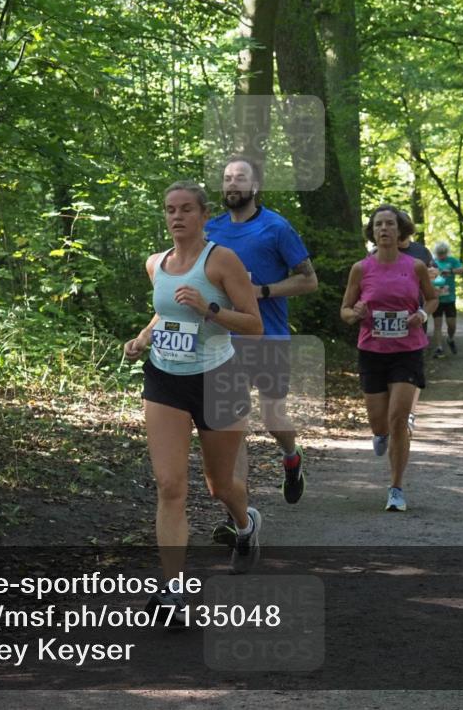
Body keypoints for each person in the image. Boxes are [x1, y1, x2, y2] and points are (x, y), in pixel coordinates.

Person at [124, 181, 264, 622]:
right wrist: (142, 339)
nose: (177, 216)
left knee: (220, 486)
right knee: (170, 486)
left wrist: (209, 309)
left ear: (204, 215)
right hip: (165, 380)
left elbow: (254, 324)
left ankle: (245, 524)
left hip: (219, 379)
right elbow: (165, 313)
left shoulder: (221, 260)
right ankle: (173, 593)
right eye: (170, 209)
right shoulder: (156, 263)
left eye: (186, 209)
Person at [205, 155, 318, 545]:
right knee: (230, 428)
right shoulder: (211, 229)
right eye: (227, 178)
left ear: (255, 187)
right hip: (222, 341)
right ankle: (238, 519)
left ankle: (292, 456)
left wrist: (261, 291)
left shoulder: (276, 227)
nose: (232, 183)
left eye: (240, 177)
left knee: (272, 416)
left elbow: (309, 281)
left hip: (268, 338)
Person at [340, 205, 438, 512]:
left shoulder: (416, 266)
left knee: (398, 419)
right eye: (379, 225)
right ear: (372, 232)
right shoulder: (361, 269)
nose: (384, 229)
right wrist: (355, 313)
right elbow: (345, 311)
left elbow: (432, 299)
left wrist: (421, 314)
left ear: (400, 230)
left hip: (407, 351)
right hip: (372, 352)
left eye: (390, 224)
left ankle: (396, 488)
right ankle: (379, 434)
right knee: (379, 423)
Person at [395, 213, 437, 438]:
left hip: (416, 315)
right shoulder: (379, 252)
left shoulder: (421, 251)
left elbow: (433, 272)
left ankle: (409, 413)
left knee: (413, 364)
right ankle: (391, 410)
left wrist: (431, 274)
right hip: (387, 317)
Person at [431, 241, 463, 359]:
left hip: (450, 299)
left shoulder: (452, 261)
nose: (441, 256)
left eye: (443, 253)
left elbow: (462, 270)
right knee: (437, 325)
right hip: (437, 298)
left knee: (452, 325)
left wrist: (451, 271)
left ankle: (450, 339)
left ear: (447, 252)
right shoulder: (433, 262)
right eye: (439, 253)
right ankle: (439, 348)